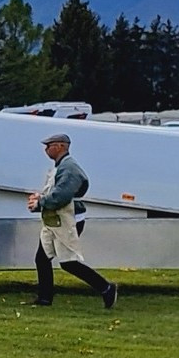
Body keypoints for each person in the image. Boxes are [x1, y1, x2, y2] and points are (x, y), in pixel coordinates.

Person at [27, 130, 118, 308]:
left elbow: (61, 196)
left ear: (61, 146)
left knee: (68, 262)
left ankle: (106, 288)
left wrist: (40, 203)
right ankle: (44, 298)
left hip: (68, 220)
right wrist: (40, 199)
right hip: (55, 220)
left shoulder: (69, 169)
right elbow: (55, 192)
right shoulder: (61, 166)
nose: (46, 149)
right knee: (42, 258)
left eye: (49, 146)